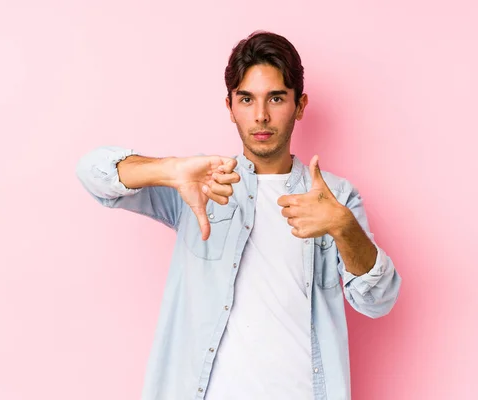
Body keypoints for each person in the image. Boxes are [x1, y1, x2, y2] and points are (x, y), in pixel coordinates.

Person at [76, 30, 401, 400]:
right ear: (230, 107)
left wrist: (343, 226)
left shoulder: (335, 197)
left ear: (299, 105)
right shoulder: (201, 183)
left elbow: (379, 300)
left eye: (276, 98)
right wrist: (169, 169)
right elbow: (92, 172)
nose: (261, 116)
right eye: (246, 99)